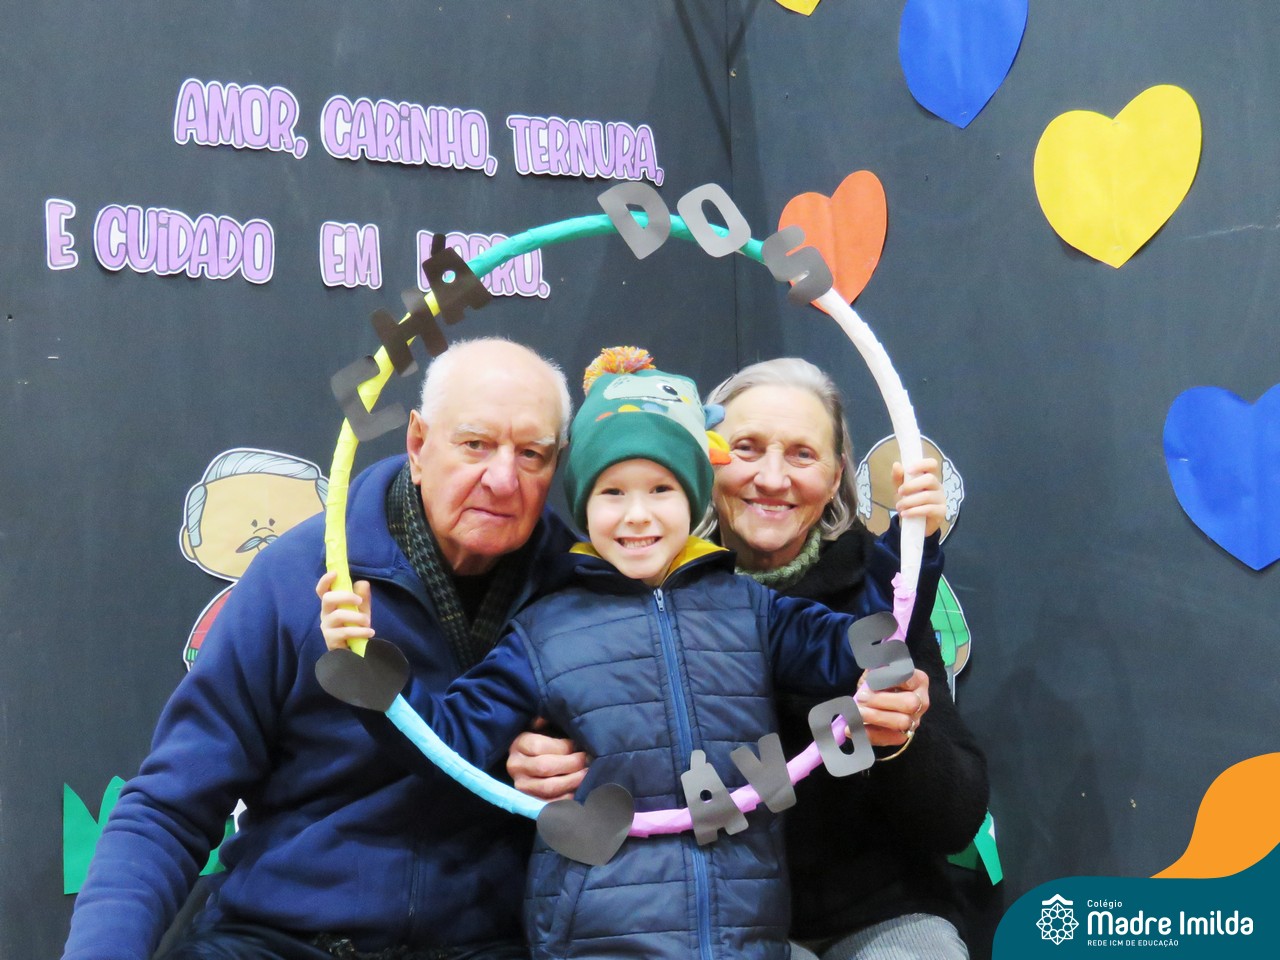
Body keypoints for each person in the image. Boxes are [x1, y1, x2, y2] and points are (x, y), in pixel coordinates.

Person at [318, 347, 939, 960]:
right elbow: (448, 743)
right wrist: (369, 674)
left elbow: (869, 642)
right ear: (583, 506)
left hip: (741, 935)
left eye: (662, 489)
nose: (637, 515)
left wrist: (915, 545)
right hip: (600, 938)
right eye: (612, 492)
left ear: (694, 499)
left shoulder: (750, 608)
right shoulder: (543, 629)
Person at [61, 338, 577, 960]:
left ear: (557, 465)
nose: (502, 479)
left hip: (485, 942)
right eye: (475, 444)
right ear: (418, 444)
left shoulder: (583, 593)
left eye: (531, 454)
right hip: (281, 936)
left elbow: (658, 776)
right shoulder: (299, 574)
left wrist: (586, 766)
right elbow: (170, 807)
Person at [509, 357, 989, 960]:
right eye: (746, 448)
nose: (772, 477)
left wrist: (901, 741)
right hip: (708, 921)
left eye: (802, 455)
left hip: (873, 913)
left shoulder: (882, 592)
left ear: (836, 476)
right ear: (704, 458)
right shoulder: (624, 593)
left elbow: (956, 817)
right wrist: (534, 755)